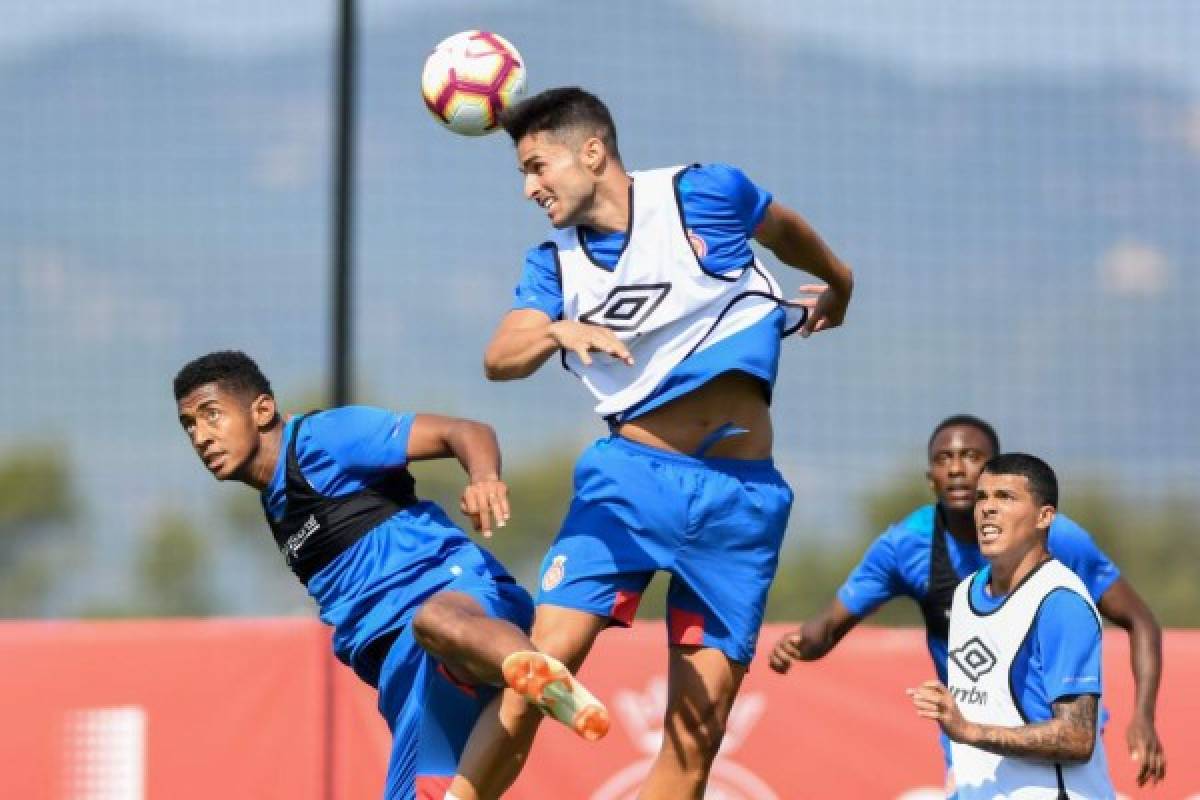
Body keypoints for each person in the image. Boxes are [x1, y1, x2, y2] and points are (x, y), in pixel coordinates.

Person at [463, 86, 854, 799]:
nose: (529, 188)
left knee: (694, 744)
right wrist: (555, 330)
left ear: (592, 151)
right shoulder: (555, 266)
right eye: (523, 173)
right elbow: (500, 355)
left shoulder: (705, 194)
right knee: (543, 667)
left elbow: (786, 229)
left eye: (537, 166)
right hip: (630, 486)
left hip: (742, 503)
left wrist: (839, 280)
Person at [172, 351, 607, 800]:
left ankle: (546, 679)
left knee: (434, 621)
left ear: (262, 410)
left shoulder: (323, 438)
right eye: (190, 426)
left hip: (462, 598)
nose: (201, 437)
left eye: (212, 416)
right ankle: (527, 679)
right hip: (411, 678)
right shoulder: (275, 504)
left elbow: (464, 431)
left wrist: (484, 478)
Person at [769, 415, 1166, 791]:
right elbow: (829, 626)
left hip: (1043, 753)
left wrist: (1143, 716)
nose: (957, 469)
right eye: (944, 459)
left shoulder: (1057, 554)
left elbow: (1138, 623)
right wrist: (801, 644)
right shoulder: (911, 549)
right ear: (931, 479)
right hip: (968, 750)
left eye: (972, 457)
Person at [908, 454, 1115, 799]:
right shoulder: (965, 593)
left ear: (1044, 516)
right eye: (982, 497)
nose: (987, 508)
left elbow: (1077, 738)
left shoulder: (1060, 602)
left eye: (1005, 497)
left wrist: (969, 731)